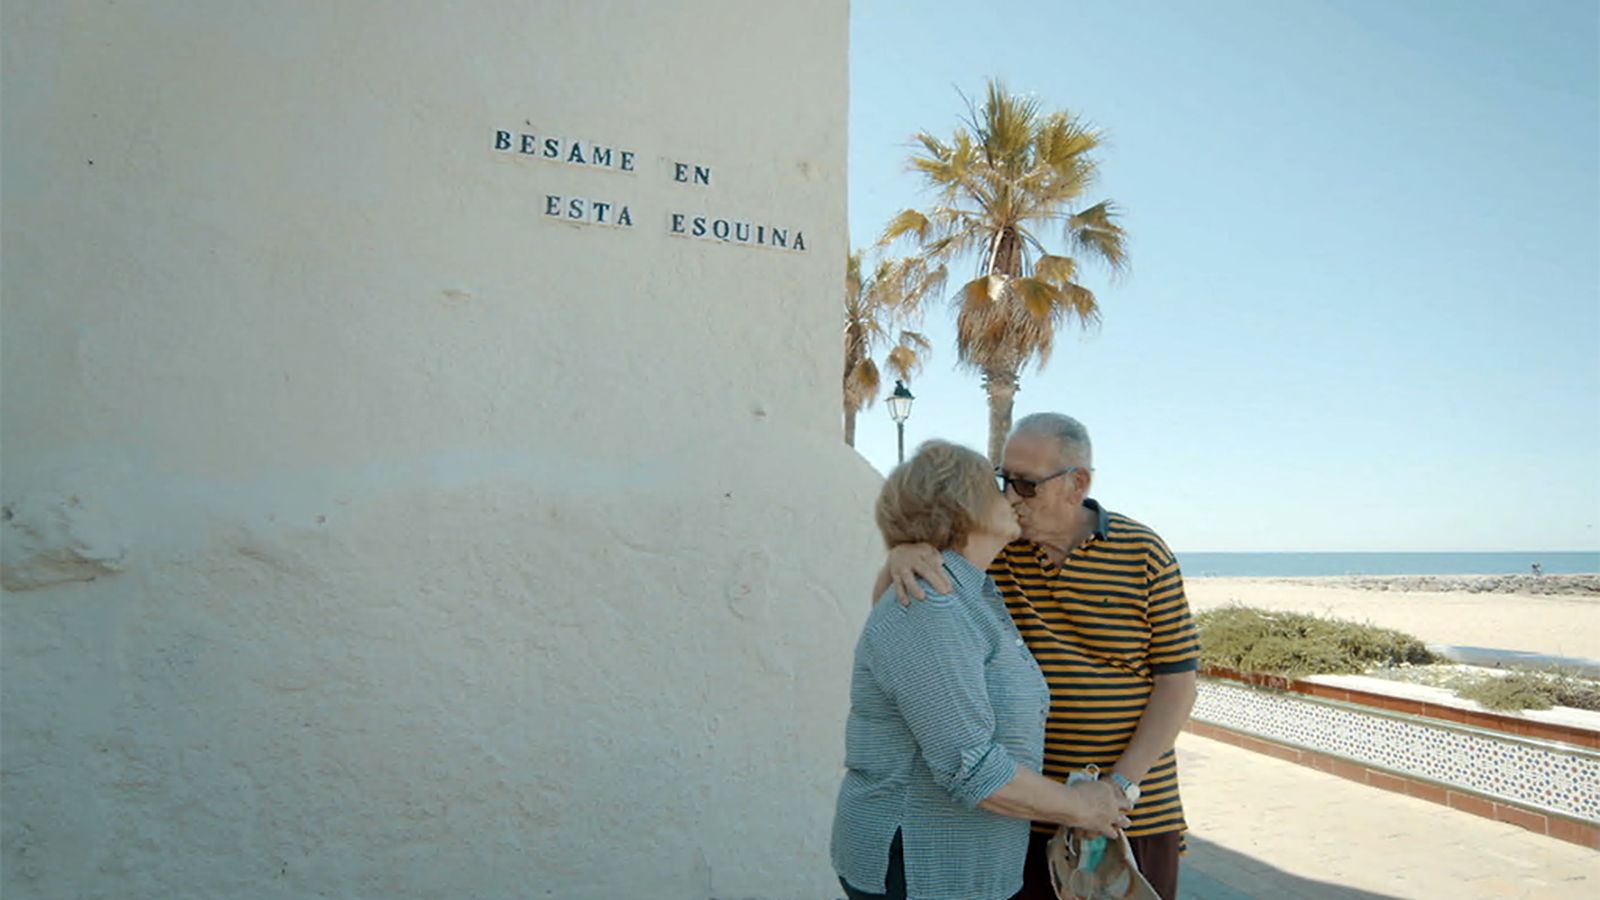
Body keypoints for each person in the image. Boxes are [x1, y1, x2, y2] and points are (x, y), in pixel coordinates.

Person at [875, 414, 1200, 900]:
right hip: (1021, 814)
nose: (1009, 496)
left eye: (1026, 484)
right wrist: (900, 555)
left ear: (1077, 483)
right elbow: (899, 607)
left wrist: (1116, 791)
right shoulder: (996, 547)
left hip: (1132, 814)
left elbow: (1177, 685)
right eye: (1004, 479)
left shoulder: (1143, 553)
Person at [832, 439, 1132, 900]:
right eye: (997, 486)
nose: (1012, 495)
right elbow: (971, 767)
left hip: (975, 864)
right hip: (925, 868)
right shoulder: (929, 604)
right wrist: (1079, 808)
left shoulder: (971, 594)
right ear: (962, 505)